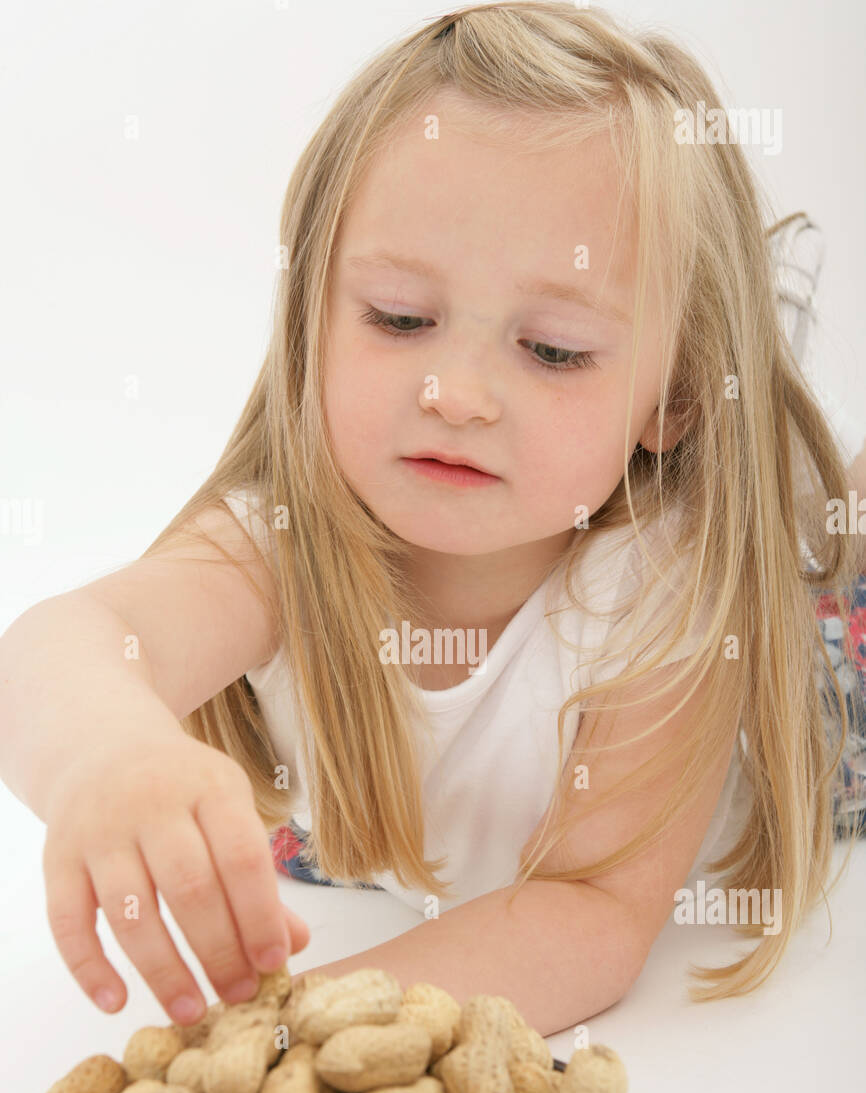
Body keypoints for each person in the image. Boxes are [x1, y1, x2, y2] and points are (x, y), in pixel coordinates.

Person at [1, 3, 863, 1038]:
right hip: (400, 842)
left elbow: (584, 913)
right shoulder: (282, 537)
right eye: (399, 319)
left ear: (670, 402)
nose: (454, 391)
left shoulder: (664, 590)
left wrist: (297, 1036)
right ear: (310, 318)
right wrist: (109, 757)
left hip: (813, 697)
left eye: (549, 350)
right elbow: (63, 646)